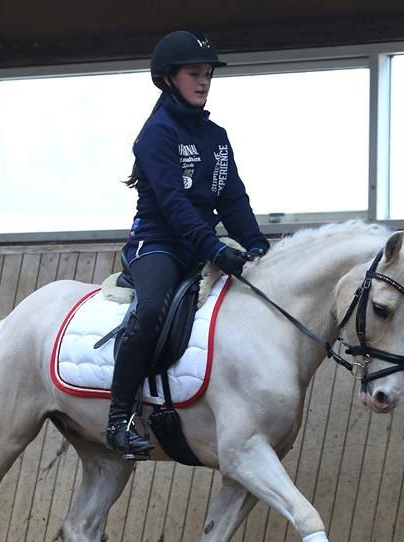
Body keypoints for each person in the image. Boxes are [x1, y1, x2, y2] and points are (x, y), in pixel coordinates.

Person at [105, 29, 270, 459]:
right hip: (158, 243)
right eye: (194, 74)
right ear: (167, 79)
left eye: (207, 75)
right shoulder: (155, 134)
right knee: (152, 308)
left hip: (200, 245)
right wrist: (215, 250)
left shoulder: (216, 136)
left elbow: (232, 198)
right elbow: (174, 205)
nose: (203, 82)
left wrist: (256, 247)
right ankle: (119, 418)